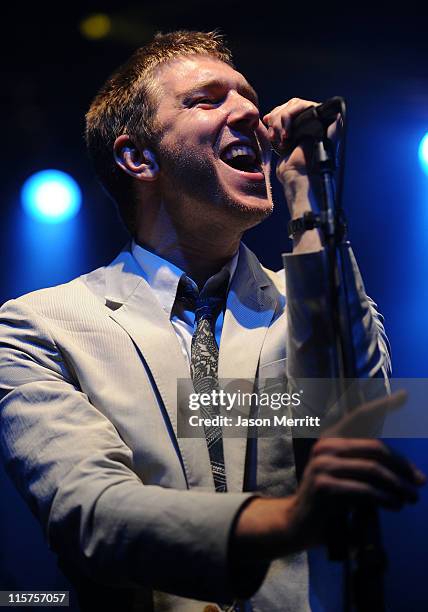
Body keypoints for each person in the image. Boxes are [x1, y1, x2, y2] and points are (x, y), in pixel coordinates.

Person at [0, 30, 424, 612]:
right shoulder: (38, 326)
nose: (250, 110)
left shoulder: (307, 293)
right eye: (208, 99)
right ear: (138, 157)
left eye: (249, 96)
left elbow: (351, 425)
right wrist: (287, 520)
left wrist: (307, 198)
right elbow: (89, 513)